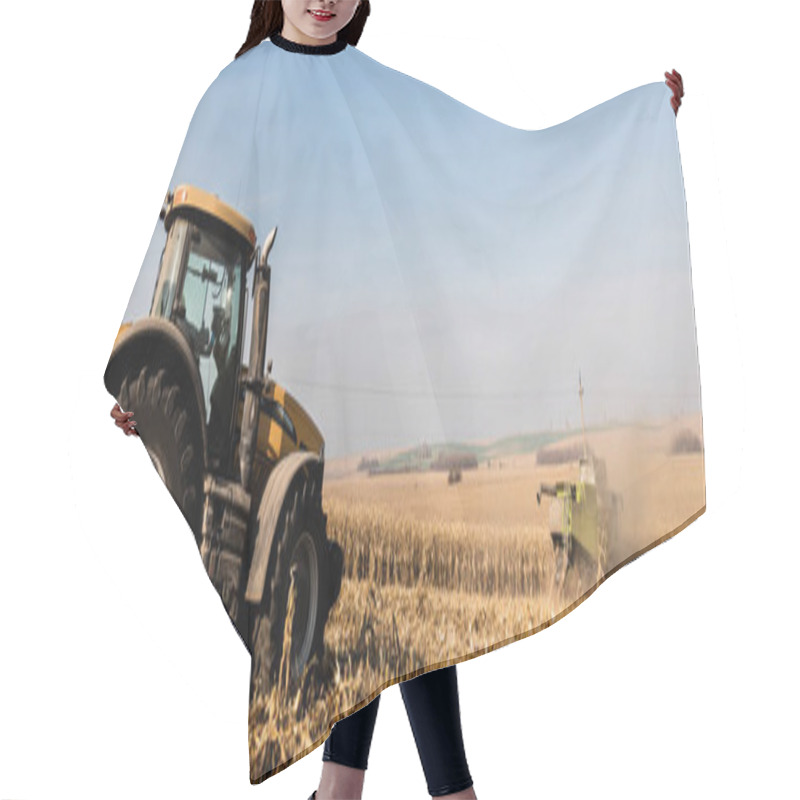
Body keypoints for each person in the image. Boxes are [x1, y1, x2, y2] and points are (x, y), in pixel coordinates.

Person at [111, 2, 685, 798]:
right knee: (370, 608)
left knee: (370, 609)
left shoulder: (375, 91)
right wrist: (141, 385)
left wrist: (635, 125)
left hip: (369, 353)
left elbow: (489, 169)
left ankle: (345, 788)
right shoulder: (236, 92)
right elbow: (179, 219)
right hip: (298, 360)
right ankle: (441, 791)